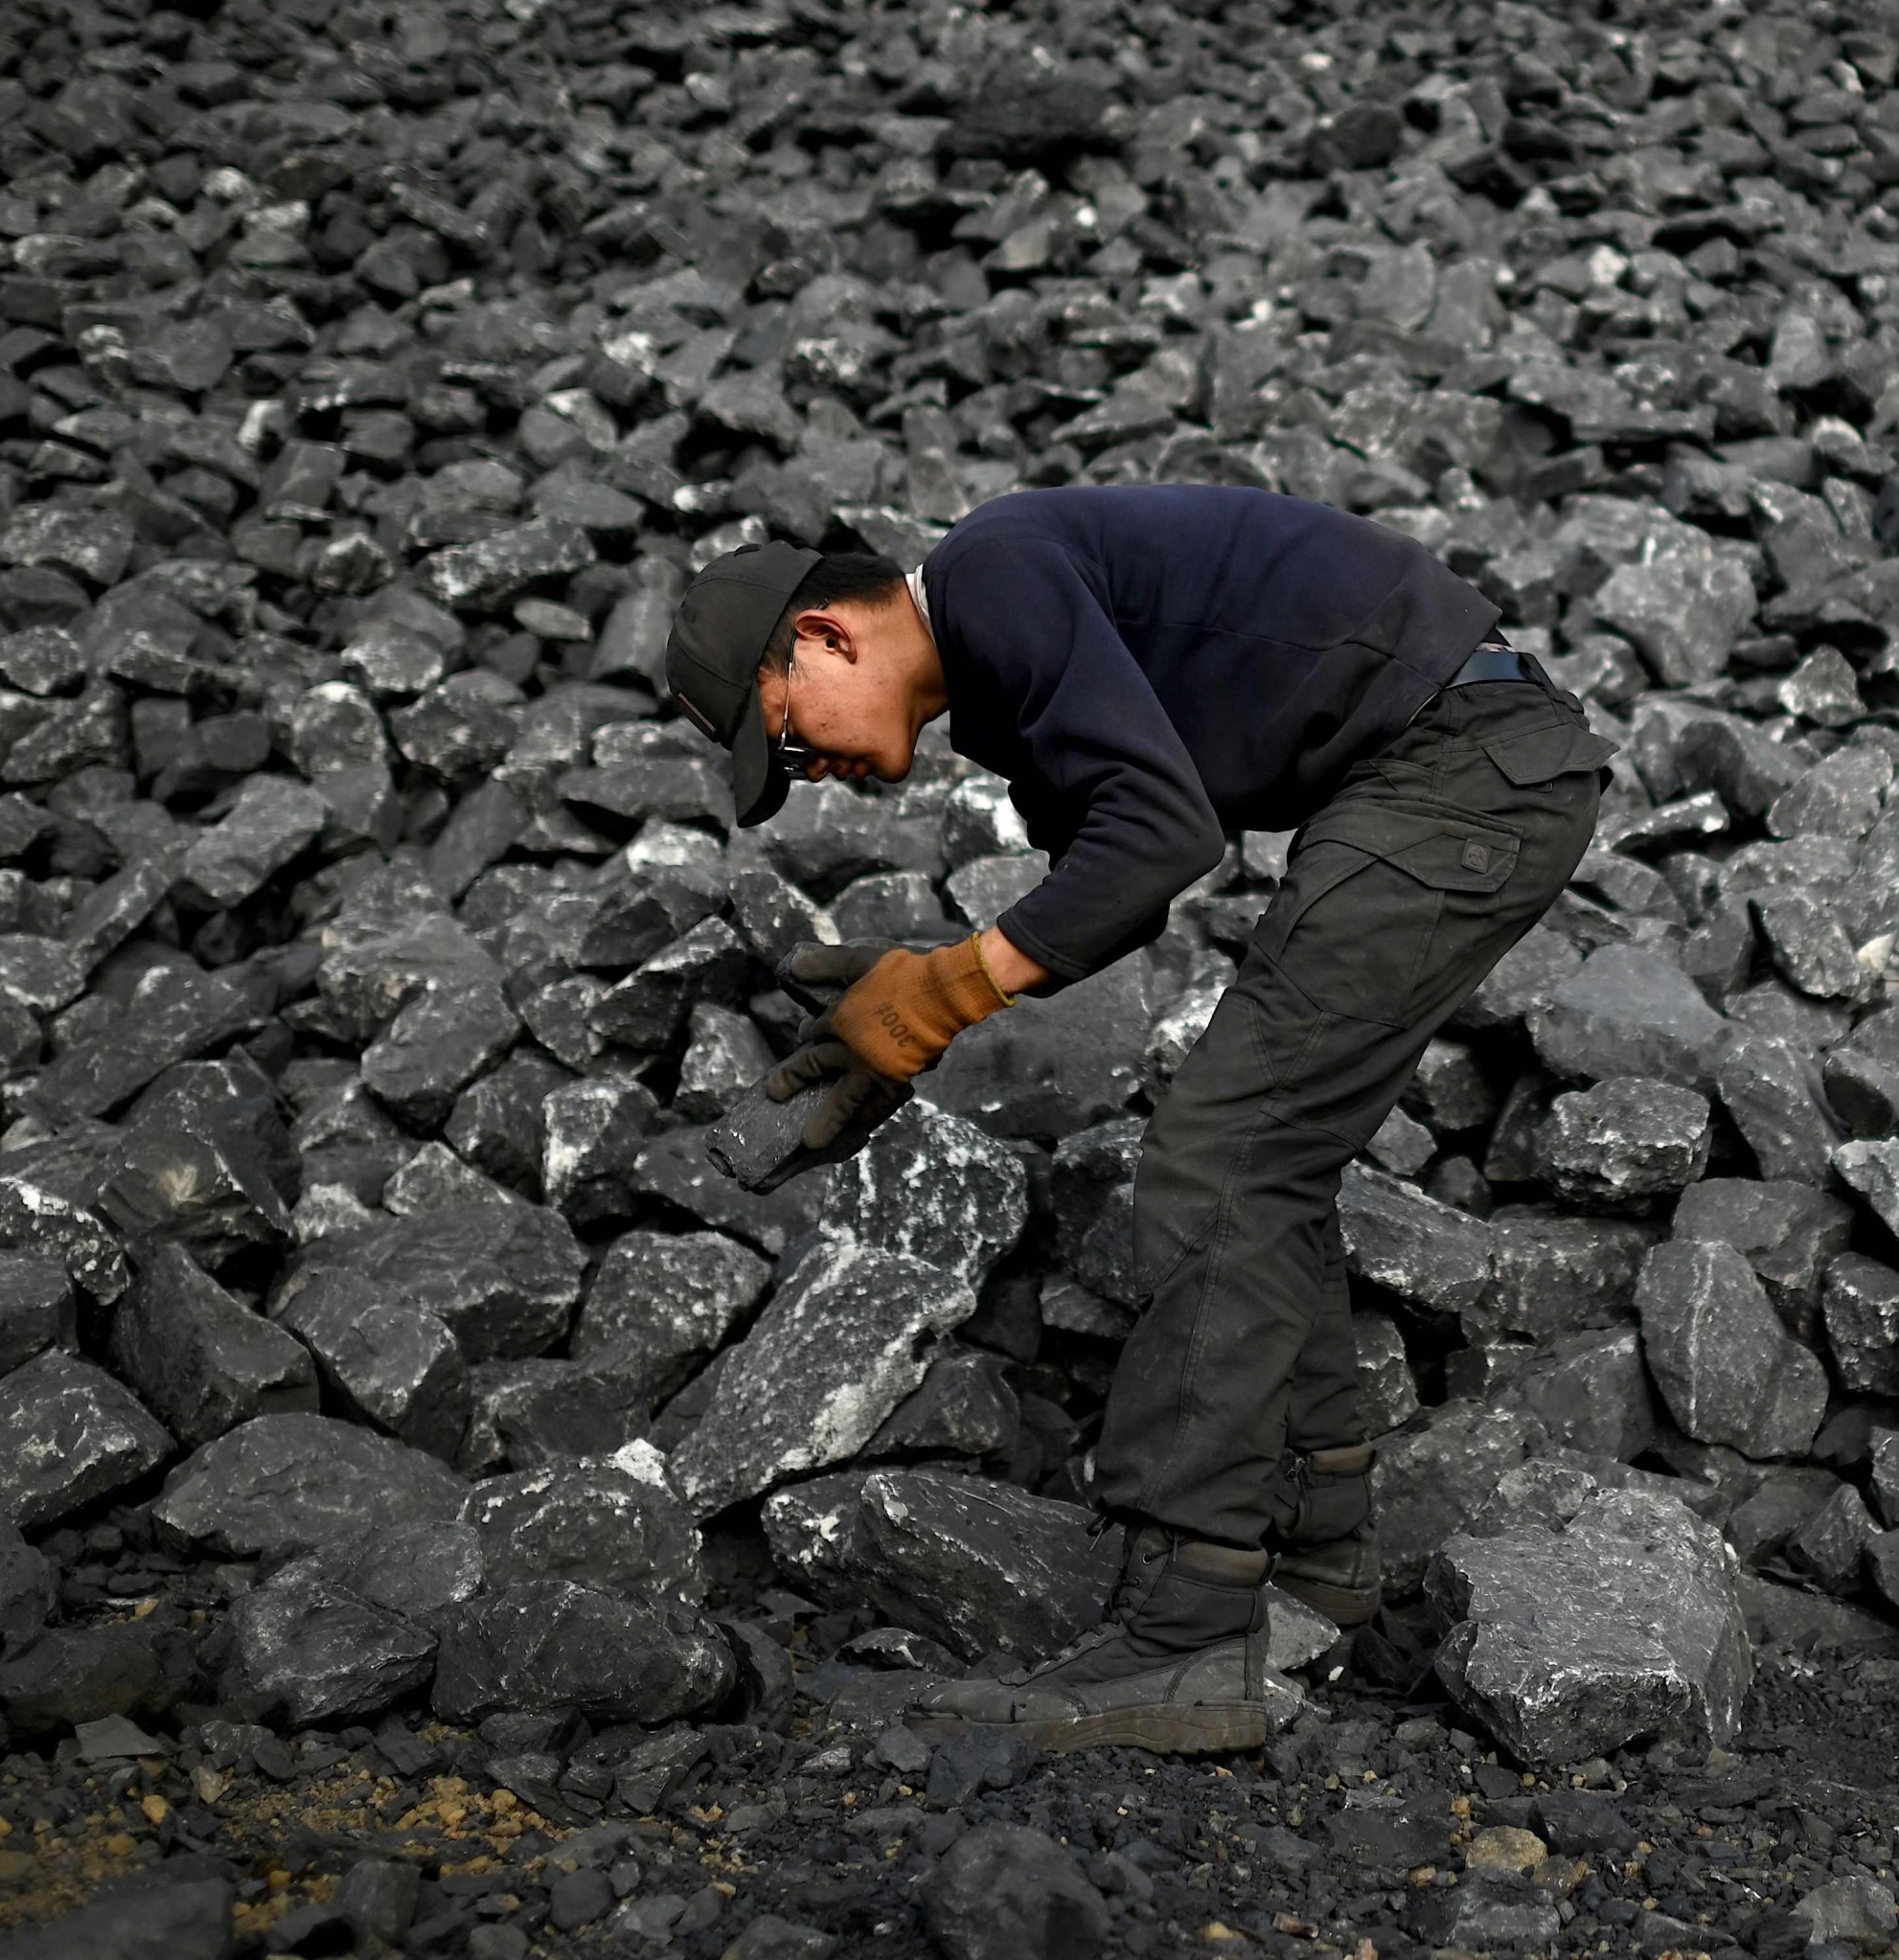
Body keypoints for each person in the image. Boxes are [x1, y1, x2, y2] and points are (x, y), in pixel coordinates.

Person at [663, 485, 1605, 1753]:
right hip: (1457, 766)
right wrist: (897, 1035)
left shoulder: (990, 575)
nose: (801, 768)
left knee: (1227, 1153)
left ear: (828, 632)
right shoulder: (1003, 686)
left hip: (1460, 764)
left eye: (784, 729)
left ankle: (1185, 1631)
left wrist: (940, 992)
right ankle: (1318, 1559)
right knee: (1265, 1157)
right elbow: (1120, 887)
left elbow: (1160, 836)